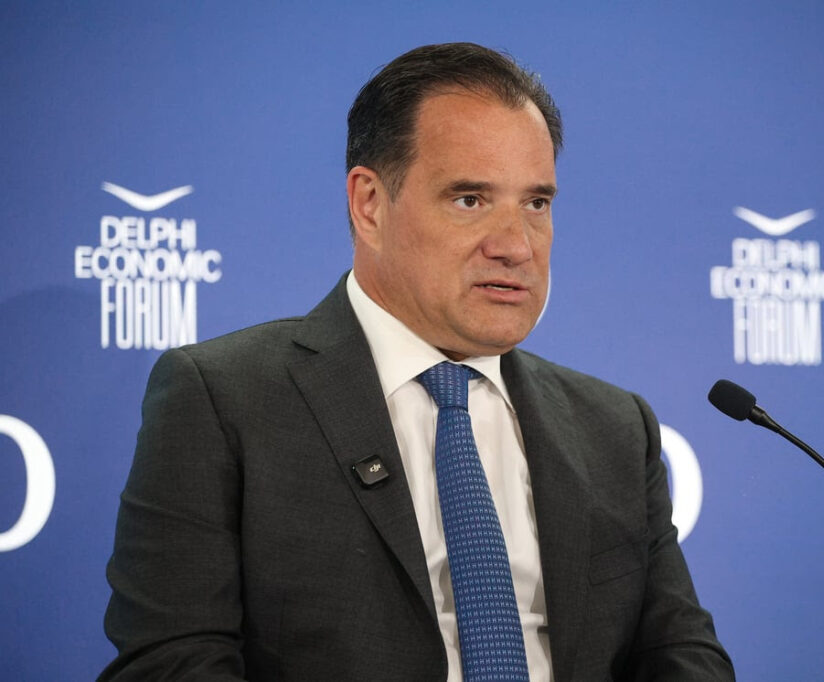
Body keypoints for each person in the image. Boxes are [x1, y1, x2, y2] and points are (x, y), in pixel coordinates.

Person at [101, 42, 734, 681]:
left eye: (536, 203)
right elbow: (171, 664)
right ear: (370, 204)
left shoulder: (614, 427)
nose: (516, 246)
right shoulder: (224, 399)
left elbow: (682, 656)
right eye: (470, 200)